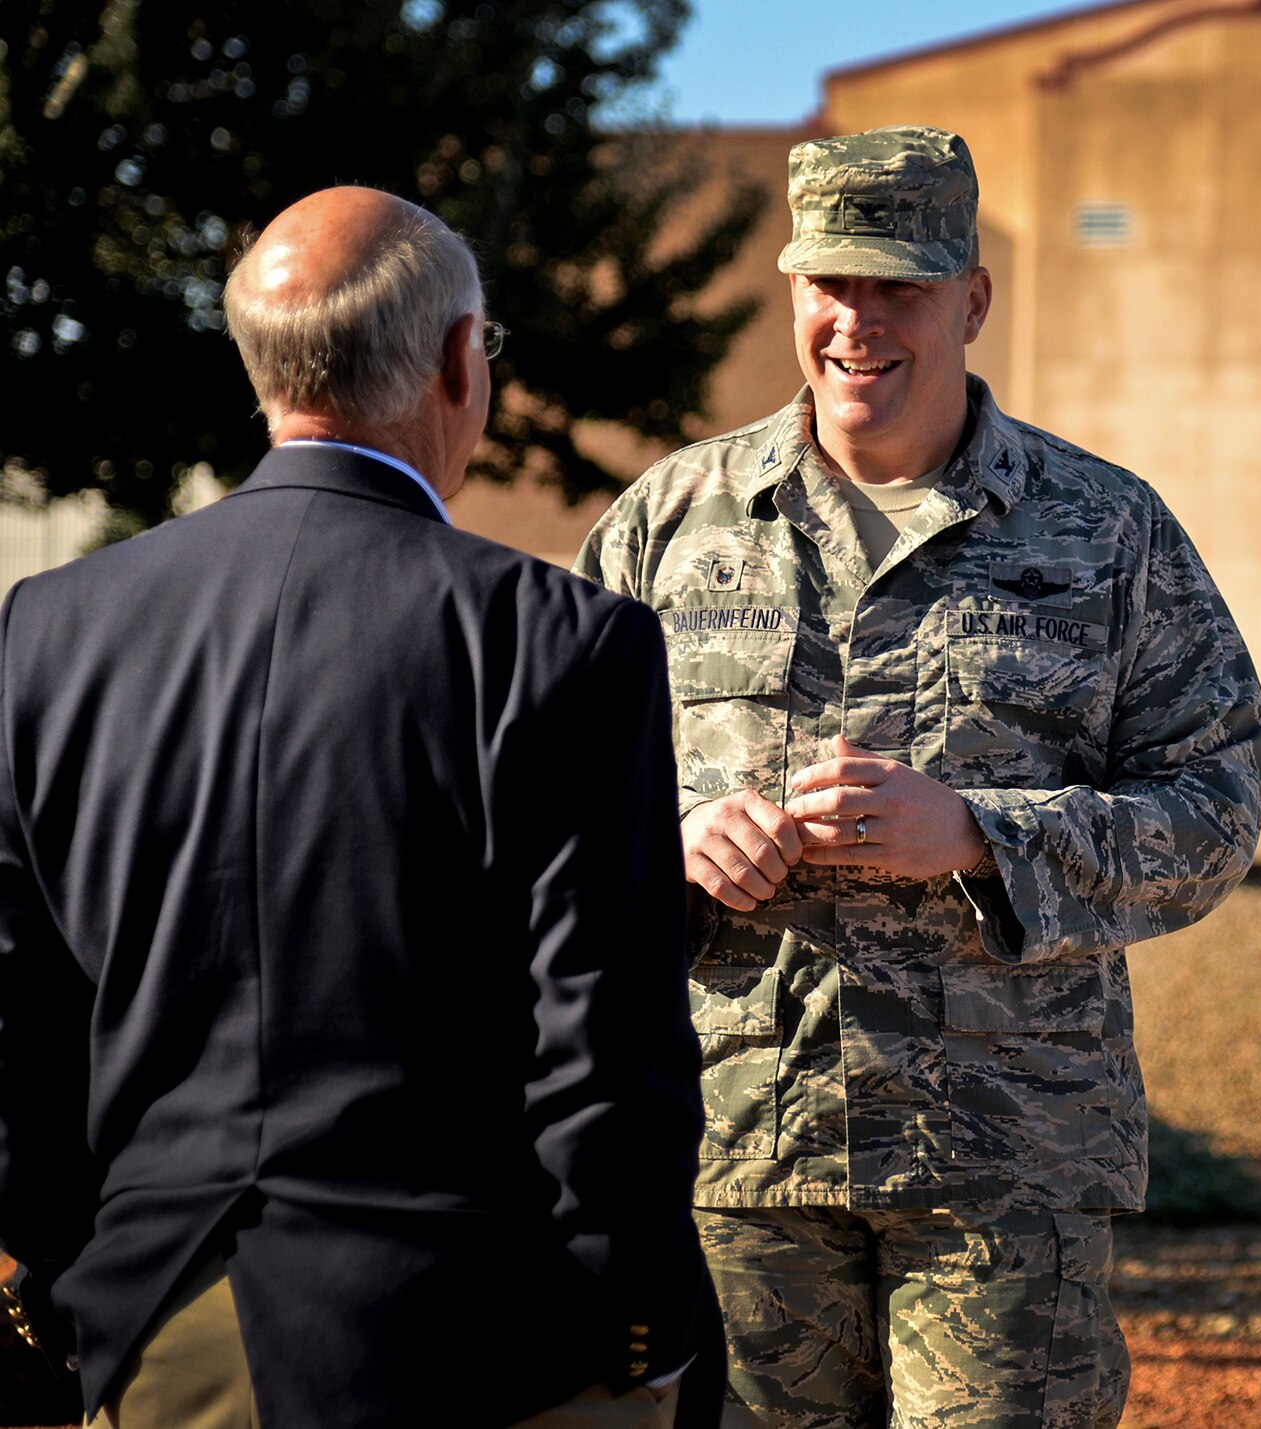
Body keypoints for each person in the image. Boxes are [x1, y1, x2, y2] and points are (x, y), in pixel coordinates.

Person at [575, 124, 1261, 1427]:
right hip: (735, 1162)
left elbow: (1216, 806)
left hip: (1003, 1182)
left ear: (973, 298)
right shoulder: (670, 524)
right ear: (795, 291)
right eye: (831, 284)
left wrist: (980, 834)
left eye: (899, 284)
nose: (858, 321)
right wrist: (666, 835)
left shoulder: (1103, 530)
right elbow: (540, 807)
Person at [0, 186, 723, 1428]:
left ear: (259, 368)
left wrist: (70, 1270)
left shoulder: (49, 633)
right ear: (459, 360)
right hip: (494, 1341)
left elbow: (23, 1014)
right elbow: (603, 1038)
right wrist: (641, 1313)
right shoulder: (561, 643)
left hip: (163, 1326)